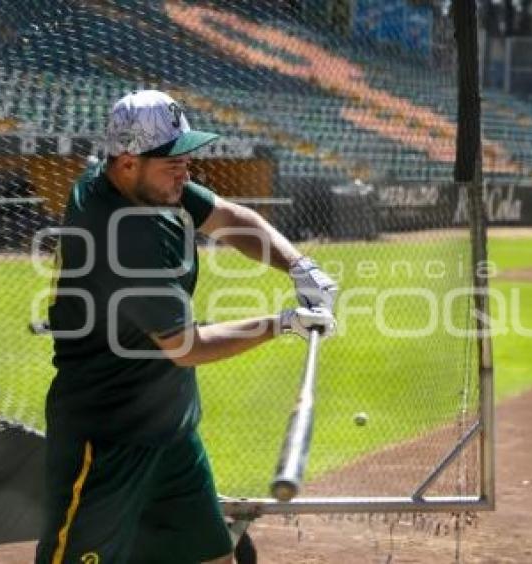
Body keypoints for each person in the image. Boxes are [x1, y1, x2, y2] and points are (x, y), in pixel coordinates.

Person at [35, 90, 338, 564]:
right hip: (108, 438)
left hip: (169, 430)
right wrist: (282, 323)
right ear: (128, 161)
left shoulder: (139, 184)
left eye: (186, 158)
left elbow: (228, 218)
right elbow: (185, 345)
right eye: (172, 162)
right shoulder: (122, 234)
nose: (186, 171)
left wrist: (300, 267)